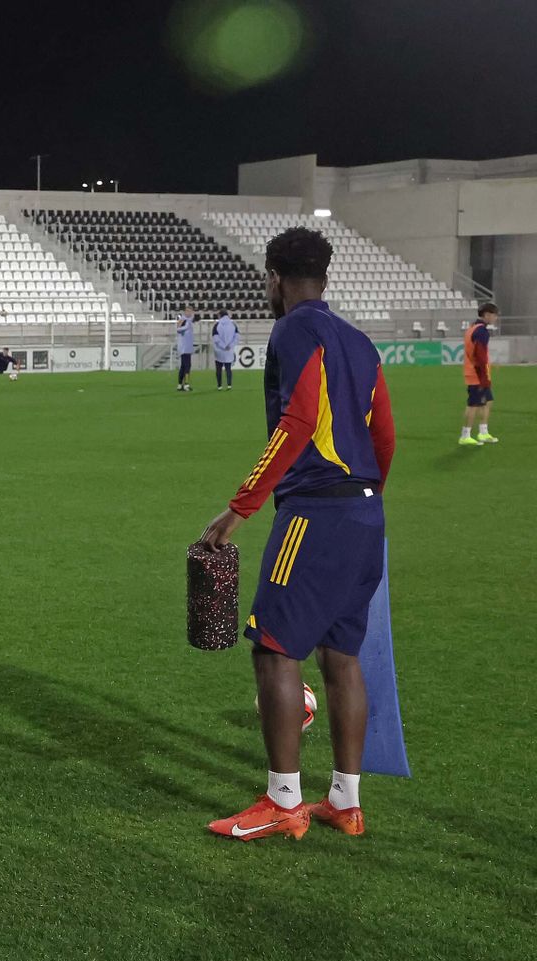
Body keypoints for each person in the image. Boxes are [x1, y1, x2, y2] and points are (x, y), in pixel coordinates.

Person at [198, 226, 394, 843]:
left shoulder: (292, 329)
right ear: (326, 277)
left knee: (276, 648)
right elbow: (383, 434)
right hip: (365, 512)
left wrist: (238, 510)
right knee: (341, 654)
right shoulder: (360, 342)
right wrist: (366, 502)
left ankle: (284, 800)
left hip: (315, 510)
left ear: (275, 279)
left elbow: (299, 419)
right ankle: (346, 801)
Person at [459, 302, 499, 446]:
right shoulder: (481, 331)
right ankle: (465, 435)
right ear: (487, 315)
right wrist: (484, 376)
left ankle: (483, 432)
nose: (495, 318)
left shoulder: (472, 328)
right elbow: (480, 355)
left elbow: (476, 353)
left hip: (475, 372)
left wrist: (488, 365)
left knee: (487, 401)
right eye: (494, 315)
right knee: (473, 404)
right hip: (477, 374)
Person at [212, 309, 237, 390]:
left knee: (218, 369)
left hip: (219, 350)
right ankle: (229, 384)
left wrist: (223, 346)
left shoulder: (217, 325)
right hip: (229, 350)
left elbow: (215, 338)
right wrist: (230, 345)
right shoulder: (233, 324)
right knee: (228, 368)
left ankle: (219, 385)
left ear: (220, 315)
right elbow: (237, 336)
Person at [176, 307, 196, 392]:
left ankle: (180, 384)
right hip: (184, 347)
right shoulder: (183, 320)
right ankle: (186, 385)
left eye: (191, 311)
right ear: (185, 312)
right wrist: (186, 327)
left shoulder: (189, 320)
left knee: (183, 367)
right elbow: (178, 329)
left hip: (187, 347)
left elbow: (194, 318)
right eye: (188, 311)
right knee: (187, 366)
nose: (190, 313)